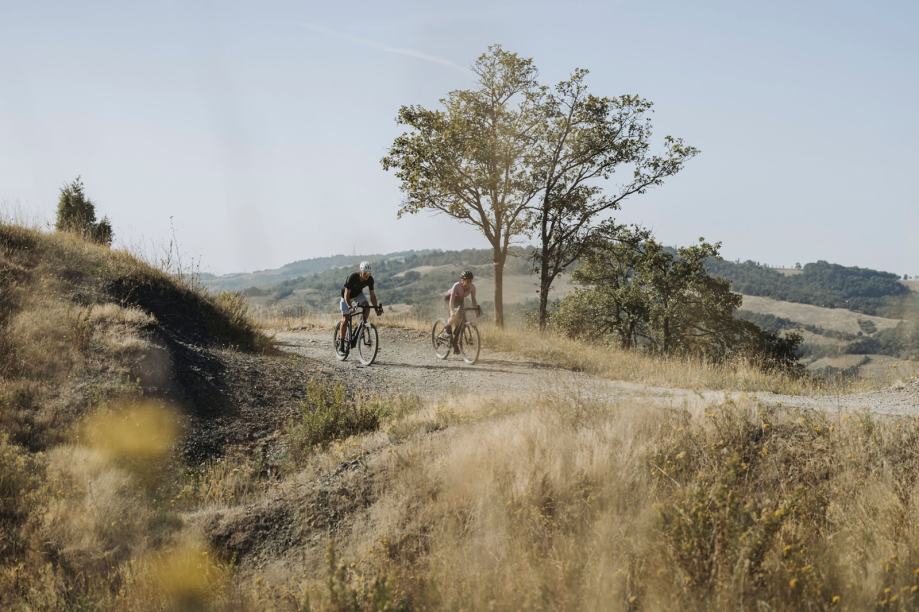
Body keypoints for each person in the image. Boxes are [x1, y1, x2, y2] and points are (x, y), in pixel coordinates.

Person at [339, 261, 381, 350]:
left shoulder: (370, 279)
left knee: (367, 307)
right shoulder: (353, 277)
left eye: (368, 274)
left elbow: (372, 296)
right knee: (345, 318)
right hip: (346, 296)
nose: (366, 276)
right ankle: (341, 343)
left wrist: (376, 308)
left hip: (358, 294)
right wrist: (349, 306)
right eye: (365, 273)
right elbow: (346, 294)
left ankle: (362, 325)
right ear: (361, 271)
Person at [444, 270, 479, 354]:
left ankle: (455, 343)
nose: (469, 282)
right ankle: (447, 327)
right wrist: (452, 311)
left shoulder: (472, 287)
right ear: (462, 280)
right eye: (467, 280)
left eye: (470, 280)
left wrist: (476, 309)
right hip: (450, 298)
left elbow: (473, 300)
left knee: (461, 322)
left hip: (460, 300)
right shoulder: (456, 285)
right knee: (455, 316)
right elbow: (451, 301)